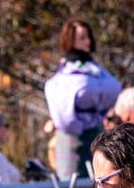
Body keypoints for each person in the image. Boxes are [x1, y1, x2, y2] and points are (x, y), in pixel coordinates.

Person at [44, 18, 121, 179]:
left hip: (95, 133)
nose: (88, 41)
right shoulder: (67, 71)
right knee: (73, 187)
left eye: (88, 36)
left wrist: (99, 116)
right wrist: (77, 128)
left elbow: (113, 88)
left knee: (98, 181)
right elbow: (62, 108)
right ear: (70, 40)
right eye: (82, 38)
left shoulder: (94, 68)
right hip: (72, 138)